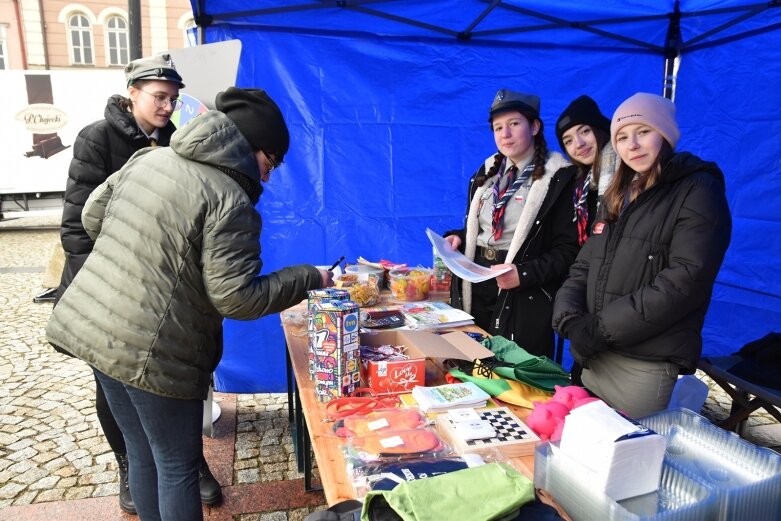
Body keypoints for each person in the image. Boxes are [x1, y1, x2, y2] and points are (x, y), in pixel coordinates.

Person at [47, 86, 332, 521]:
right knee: (177, 467)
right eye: (271, 161)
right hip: (153, 354)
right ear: (248, 146)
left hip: (93, 330)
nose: (269, 176)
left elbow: (91, 217)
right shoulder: (230, 199)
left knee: (142, 454)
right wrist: (309, 277)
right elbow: (236, 297)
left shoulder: (151, 158)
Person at [53, 53, 221, 513]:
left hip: (164, 296)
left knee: (172, 401)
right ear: (133, 94)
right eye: (159, 97)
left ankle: (185, 462)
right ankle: (129, 463)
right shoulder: (97, 138)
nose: (167, 107)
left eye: (173, 98)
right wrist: (116, 287)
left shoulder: (175, 142)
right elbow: (77, 227)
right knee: (118, 390)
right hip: (108, 294)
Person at [552, 92, 732, 418]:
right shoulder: (618, 194)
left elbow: (684, 281)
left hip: (642, 364)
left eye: (643, 132)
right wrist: (570, 319)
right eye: (622, 137)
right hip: (592, 355)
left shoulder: (698, 189)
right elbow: (584, 265)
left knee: (628, 459)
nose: (632, 145)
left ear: (664, 133)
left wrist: (600, 329)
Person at [444, 89, 578, 359]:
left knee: (514, 373)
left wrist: (524, 274)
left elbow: (568, 250)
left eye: (514, 124)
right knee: (472, 363)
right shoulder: (487, 172)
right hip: (477, 280)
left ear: (535, 126)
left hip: (523, 292)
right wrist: (457, 238)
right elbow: (481, 230)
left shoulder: (559, 177)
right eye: (498, 128)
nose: (505, 134)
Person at [554, 95, 618, 384]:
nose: (578, 143)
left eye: (584, 131)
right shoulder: (581, 185)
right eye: (568, 140)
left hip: (615, 294)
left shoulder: (622, 176)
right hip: (586, 288)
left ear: (600, 130)